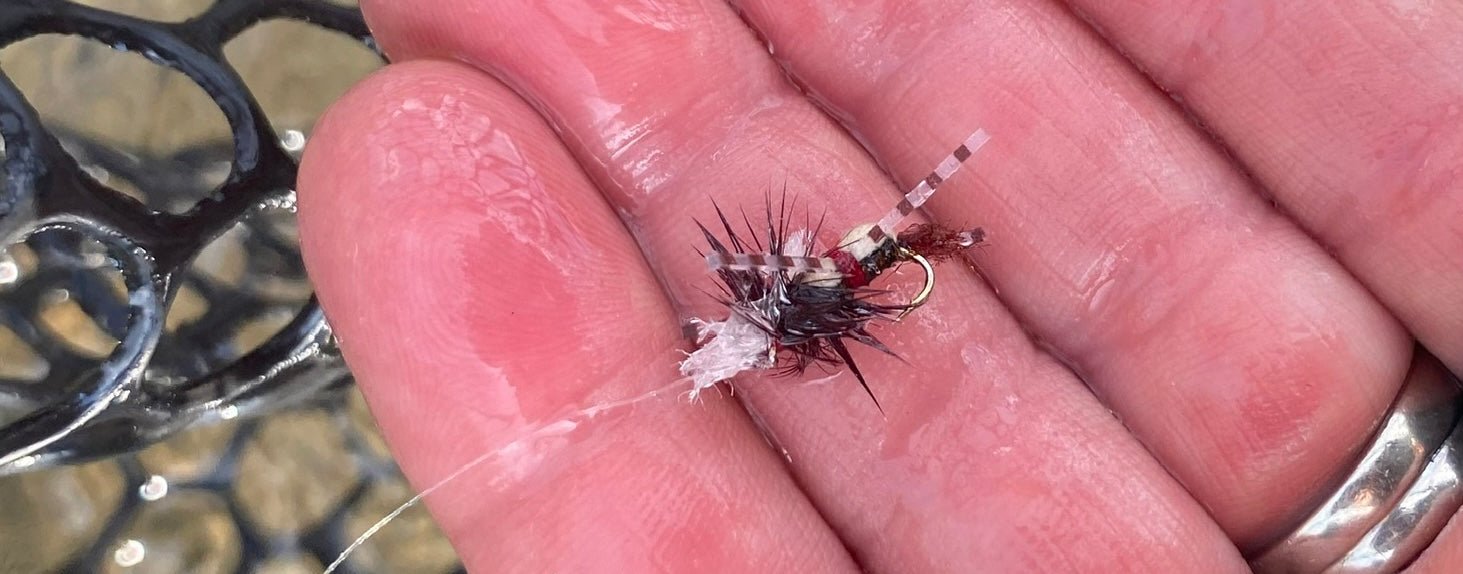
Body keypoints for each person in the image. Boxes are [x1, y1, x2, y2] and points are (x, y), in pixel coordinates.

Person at [297, 1, 1463, 571]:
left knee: (922, 207)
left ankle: (941, 205)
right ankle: (938, 207)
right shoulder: (777, 315)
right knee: (917, 211)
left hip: (841, 270)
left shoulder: (789, 311)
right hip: (835, 273)